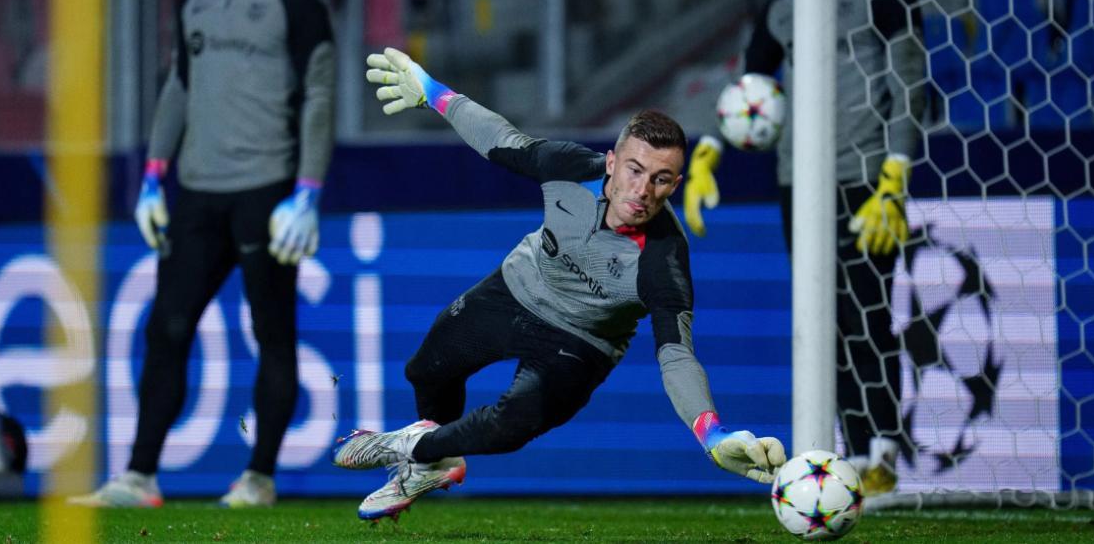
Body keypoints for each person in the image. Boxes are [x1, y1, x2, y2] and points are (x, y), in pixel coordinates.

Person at [331, 48, 786, 522]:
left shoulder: (664, 259)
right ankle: (433, 461)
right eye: (634, 170)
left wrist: (711, 434)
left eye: (661, 179)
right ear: (611, 162)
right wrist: (432, 93)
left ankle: (417, 447)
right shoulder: (570, 168)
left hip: (579, 343)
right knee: (426, 371)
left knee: (510, 425)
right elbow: (500, 139)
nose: (643, 191)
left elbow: (676, 355)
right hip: (513, 290)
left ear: (675, 184)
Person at [70, 0, 335, 508]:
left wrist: (307, 192)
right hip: (195, 191)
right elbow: (178, 91)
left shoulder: (300, 7)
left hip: (266, 191)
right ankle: (138, 477)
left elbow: (320, 100)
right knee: (167, 328)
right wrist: (153, 179)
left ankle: (259, 478)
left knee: (271, 330)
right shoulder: (196, 3)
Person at [684, 0, 925, 496]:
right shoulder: (783, 3)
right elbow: (751, 89)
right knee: (825, 318)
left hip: (867, 179)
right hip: (799, 183)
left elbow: (910, 86)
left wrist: (896, 174)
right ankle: (841, 445)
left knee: (867, 312)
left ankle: (882, 450)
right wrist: (708, 151)